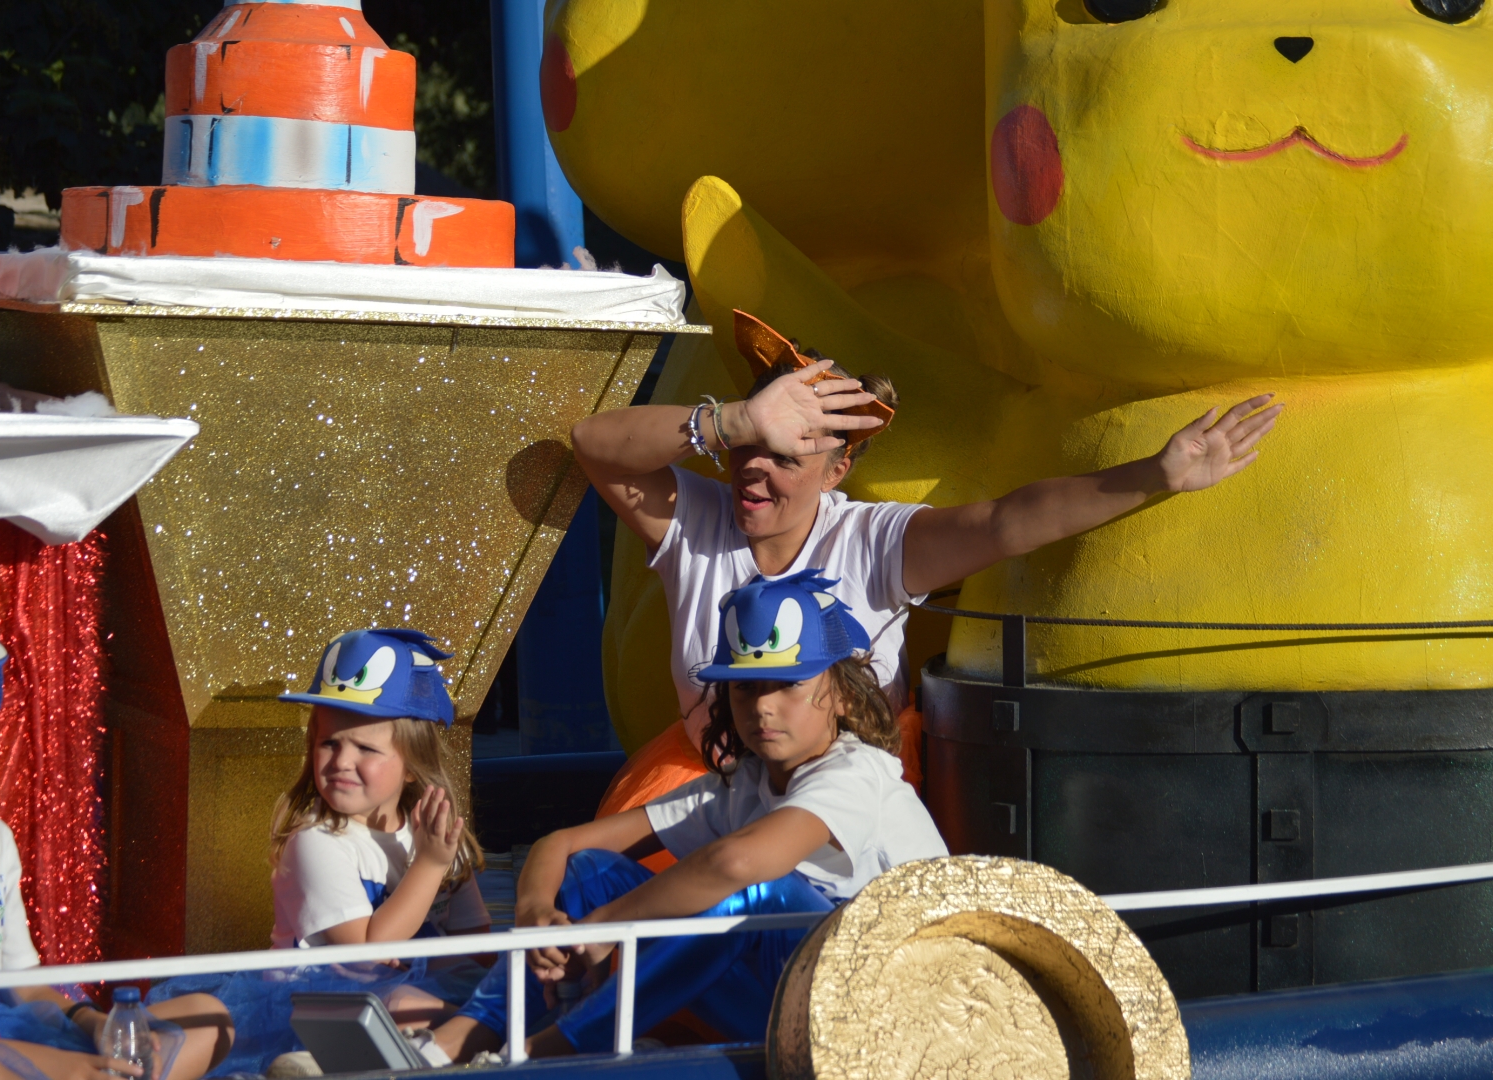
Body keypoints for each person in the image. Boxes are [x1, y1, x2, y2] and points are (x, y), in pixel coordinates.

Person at [576, 310, 1281, 818]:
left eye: (785, 456)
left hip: (839, 801)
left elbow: (1007, 523)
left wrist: (1156, 474)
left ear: (836, 469)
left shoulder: (871, 541)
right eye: (747, 449)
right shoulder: (697, 518)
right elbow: (590, 443)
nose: (754, 471)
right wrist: (732, 420)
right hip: (717, 786)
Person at [421, 570, 949, 1063]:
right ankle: (456, 1044)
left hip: (883, 1022)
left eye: (787, 683)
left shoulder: (857, 772)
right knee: (591, 871)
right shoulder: (744, 784)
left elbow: (739, 864)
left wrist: (609, 924)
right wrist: (537, 913)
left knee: (760, 896)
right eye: (745, 686)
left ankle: (546, 1052)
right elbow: (562, 845)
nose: (763, 706)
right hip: (788, 1009)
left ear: (840, 695)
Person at [0, 600, 233, 1080]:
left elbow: (23, 983)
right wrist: (62, 1066)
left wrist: (94, 1024)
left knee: (210, 1016)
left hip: (7, 1026)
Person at [148, 627, 490, 1075]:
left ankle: (479, 1044)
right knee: (400, 1002)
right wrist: (428, 865)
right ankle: (331, 1063)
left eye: (365, 748)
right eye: (329, 742)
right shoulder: (316, 841)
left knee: (480, 993)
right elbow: (365, 954)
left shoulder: (435, 836)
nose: (341, 761)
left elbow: (475, 947)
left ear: (413, 767)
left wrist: (483, 990)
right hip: (317, 1004)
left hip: (409, 990)